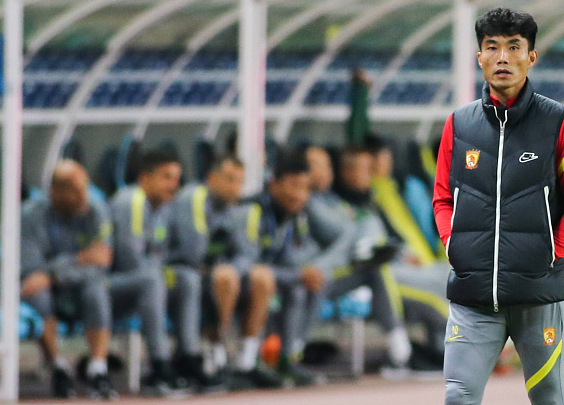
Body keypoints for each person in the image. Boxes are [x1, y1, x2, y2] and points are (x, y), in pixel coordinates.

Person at [409, 7, 564, 405]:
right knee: (457, 399)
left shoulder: (562, 123)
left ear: (531, 56)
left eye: (514, 46)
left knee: (549, 403)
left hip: (538, 295)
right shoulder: (458, 125)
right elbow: (443, 197)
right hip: (473, 295)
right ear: (479, 56)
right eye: (492, 46)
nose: (503, 57)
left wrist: (550, 254)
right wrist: (453, 247)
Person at [166, 154, 280, 389]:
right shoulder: (194, 197)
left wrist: (233, 268)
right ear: (211, 178)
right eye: (229, 179)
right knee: (225, 276)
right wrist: (226, 268)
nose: (235, 187)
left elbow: (247, 254)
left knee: (262, 277)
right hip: (182, 274)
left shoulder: (237, 209)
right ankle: (215, 357)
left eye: (240, 181)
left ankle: (246, 362)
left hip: (218, 278)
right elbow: (194, 253)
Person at [303, 145, 414, 370]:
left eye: (327, 166)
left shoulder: (333, 201)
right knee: (369, 235)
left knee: (375, 266)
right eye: (317, 166)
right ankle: (405, 349)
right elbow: (344, 233)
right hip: (313, 275)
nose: (325, 172)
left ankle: (400, 346)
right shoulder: (306, 202)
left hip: (335, 273)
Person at [20, 160, 115, 399]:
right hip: (48, 291)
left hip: (80, 285)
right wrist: (80, 258)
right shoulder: (31, 215)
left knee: (96, 289)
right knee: (35, 293)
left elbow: (100, 263)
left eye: (84, 188)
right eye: (75, 190)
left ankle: (98, 369)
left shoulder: (96, 210)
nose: (83, 196)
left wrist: (54, 274)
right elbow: (31, 270)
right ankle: (57, 368)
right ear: (55, 191)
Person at [235, 149, 324, 387]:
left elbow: (286, 260)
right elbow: (247, 264)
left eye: (306, 188)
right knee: (272, 281)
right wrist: (296, 275)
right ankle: (247, 362)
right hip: (235, 278)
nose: (301, 195)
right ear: (273, 184)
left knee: (305, 284)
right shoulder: (251, 211)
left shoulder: (290, 216)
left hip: (268, 278)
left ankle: (288, 358)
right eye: (294, 186)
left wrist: (304, 272)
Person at [108, 147, 189, 395]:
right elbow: (130, 261)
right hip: (111, 284)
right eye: (166, 177)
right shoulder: (131, 201)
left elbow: (161, 254)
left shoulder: (163, 208)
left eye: (176, 179)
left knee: (188, 280)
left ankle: (189, 358)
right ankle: (159, 365)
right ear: (145, 178)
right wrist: (159, 269)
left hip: (143, 280)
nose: (173, 185)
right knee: (154, 280)